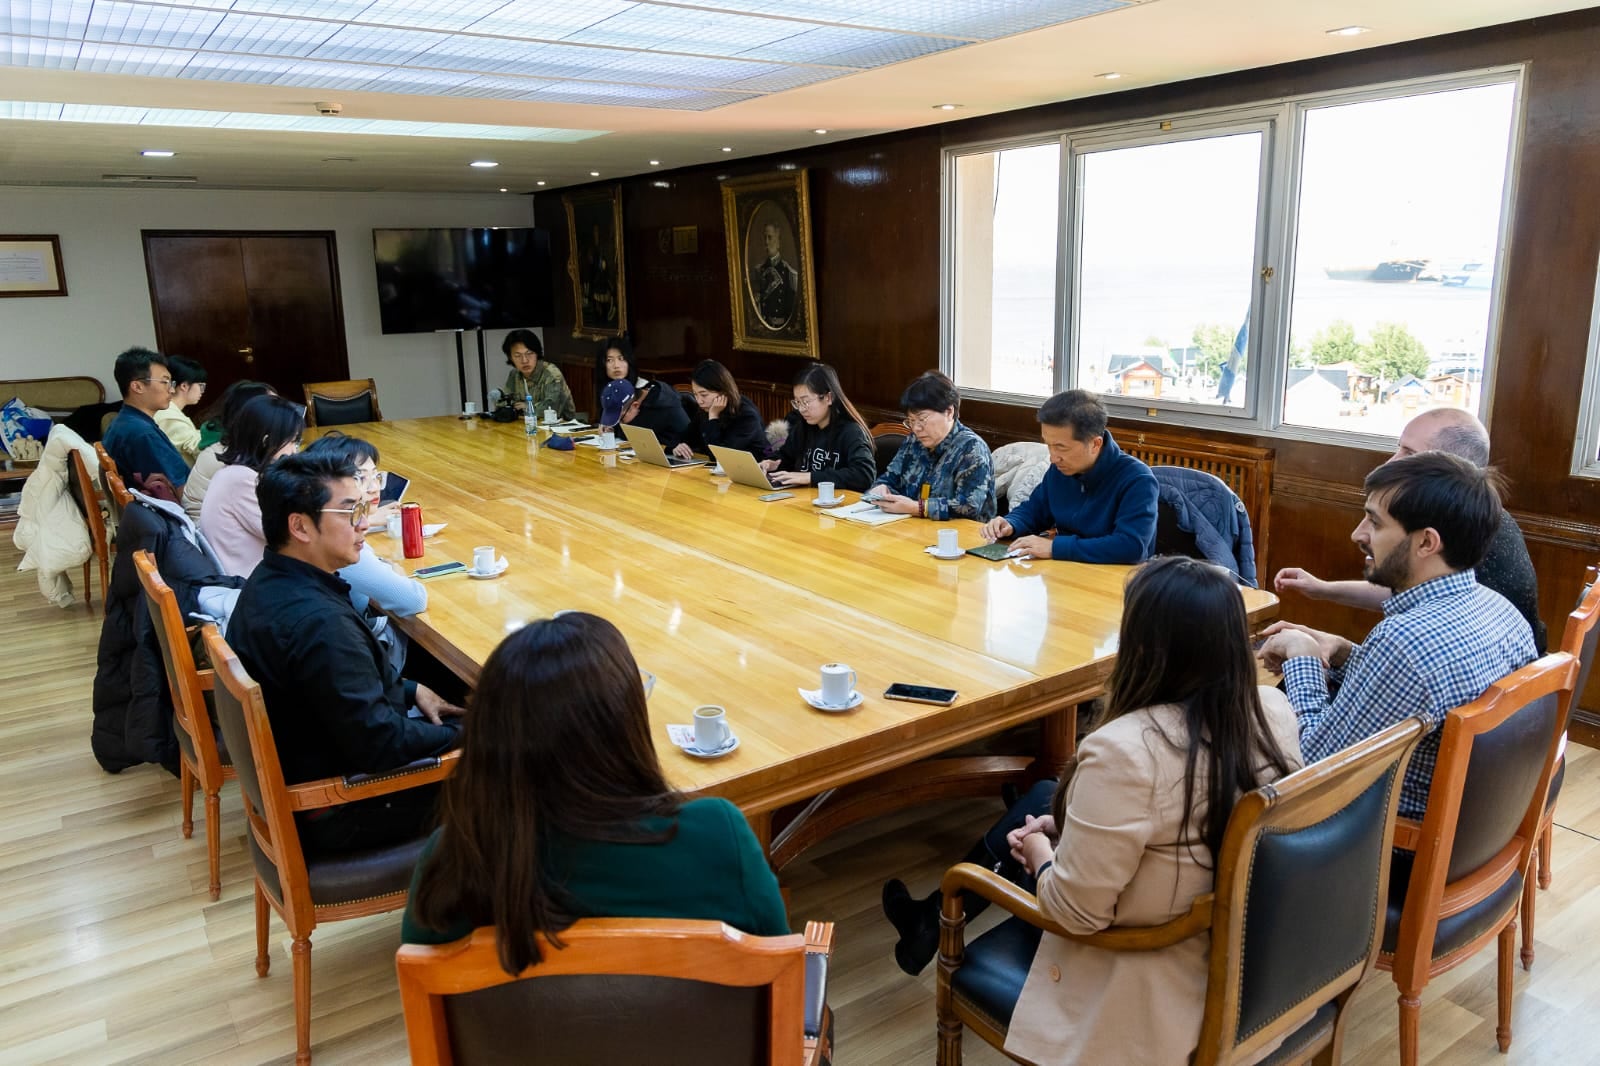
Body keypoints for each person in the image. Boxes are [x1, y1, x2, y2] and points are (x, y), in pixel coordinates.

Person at [885, 557, 1300, 1064]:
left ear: (1145, 647)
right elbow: (1188, 816)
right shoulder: (1271, 711)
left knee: (969, 872)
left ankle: (935, 919)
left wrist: (1040, 852)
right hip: (1249, 960)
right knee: (1039, 805)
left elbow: (1075, 913)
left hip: (1151, 982)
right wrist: (1074, 824)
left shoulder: (1124, 750)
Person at [402, 612, 788, 969]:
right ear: (626, 721)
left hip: (528, 1045)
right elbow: (779, 970)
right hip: (696, 1043)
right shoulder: (717, 837)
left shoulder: (451, 858)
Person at [1258, 452, 1537, 820]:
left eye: (1373, 522)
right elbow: (1426, 694)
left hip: (1378, 846)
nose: (1357, 534)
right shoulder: (1500, 609)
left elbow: (1311, 766)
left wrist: (1303, 657)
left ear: (1426, 543)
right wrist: (1344, 652)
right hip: (1471, 834)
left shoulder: (1405, 641)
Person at [227, 452, 463, 855]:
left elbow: (324, 691)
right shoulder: (318, 623)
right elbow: (382, 743)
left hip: (318, 761)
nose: (364, 525)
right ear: (299, 526)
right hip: (344, 808)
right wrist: (471, 736)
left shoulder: (269, 581)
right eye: (351, 512)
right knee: (526, 757)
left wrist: (409, 690)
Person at [1274, 407, 1545, 652]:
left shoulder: (1408, 638)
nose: (1391, 462)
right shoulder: (1480, 522)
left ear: (1448, 468)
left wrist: (1303, 655)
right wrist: (1322, 590)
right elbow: (1409, 589)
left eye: (1409, 454)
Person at [979, 389, 1156, 562]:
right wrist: (1011, 523)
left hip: (1114, 580)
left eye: (1061, 447)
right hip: (1065, 570)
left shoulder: (1137, 479)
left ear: (1095, 444)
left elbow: (1131, 546)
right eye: (1048, 445)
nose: (1053, 457)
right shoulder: (1060, 469)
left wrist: (1055, 548)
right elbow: (1035, 510)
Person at [301, 433, 426, 619]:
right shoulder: (338, 539)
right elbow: (413, 600)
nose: (374, 487)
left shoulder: (319, 521)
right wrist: (396, 572)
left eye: (375, 476)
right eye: (360, 478)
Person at [199, 394, 304, 577]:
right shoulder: (241, 481)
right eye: (293, 441)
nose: (295, 450)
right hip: (257, 584)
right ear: (266, 441)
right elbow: (292, 535)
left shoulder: (235, 473)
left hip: (262, 576)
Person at [869, 370, 996, 521]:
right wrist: (881, 489)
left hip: (961, 537)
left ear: (949, 411)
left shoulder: (972, 448)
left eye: (922, 419)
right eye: (911, 421)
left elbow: (968, 507)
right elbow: (889, 477)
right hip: (912, 528)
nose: (916, 428)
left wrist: (917, 508)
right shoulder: (914, 441)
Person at [762, 362, 876, 491]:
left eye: (806, 402)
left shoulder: (851, 431)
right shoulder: (803, 427)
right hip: (805, 500)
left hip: (840, 504)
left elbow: (864, 476)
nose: (801, 409)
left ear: (828, 397)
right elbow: (786, 457)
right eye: (797, 402)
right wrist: (772, 464)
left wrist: (810, 477)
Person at [183, 380, 276, 521]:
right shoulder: (227, 456)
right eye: (273, 406)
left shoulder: (234, 441)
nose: (282, 413)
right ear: (251, 414)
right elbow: (267, 521)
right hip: (209, 533)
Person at [101, 347, 191, 490]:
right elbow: (181, 490)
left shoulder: (123, 422)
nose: (172, 390)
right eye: (164, 382)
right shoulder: (142, 433)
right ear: (137, 386)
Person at [592, 335, 690, 449]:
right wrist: (609, 427)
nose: (616, 366)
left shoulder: (653, 396)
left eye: (621, 358)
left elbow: (641, 432)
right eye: (609, 360)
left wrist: (672, 446)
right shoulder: (609, 391)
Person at [672, 359, 768, 460]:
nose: (699, 401)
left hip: (752, 472)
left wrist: (713, 417)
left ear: (723, 392)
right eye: (695, 394)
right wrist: (678, 446)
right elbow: (684, 437)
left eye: (704, 395)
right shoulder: (705, 409)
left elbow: (720, 456)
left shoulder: (747, 416)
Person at [499, 329, 574, 421]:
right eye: (518, 356)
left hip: (560, 426)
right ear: (510, 357)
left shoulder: (551, 374)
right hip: (525, 424)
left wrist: (527, 407)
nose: (524, 360)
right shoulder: (514, 374)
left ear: (537, 354)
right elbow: (505, 402)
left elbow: (552, 408)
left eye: (529, 353)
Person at [153, 355, 206, 462]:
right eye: (201, 385)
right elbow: (197, 447)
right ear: (184, 386)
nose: (202, 391)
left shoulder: (170, 411)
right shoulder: (168, 416)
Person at [754, 221, 799, 330]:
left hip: (782, 329)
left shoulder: (790, 273)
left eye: (770, 237)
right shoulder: (759, 270)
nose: (766, 242)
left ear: (778, 241)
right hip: (764, 329)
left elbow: (794, 310)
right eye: (765, 237)